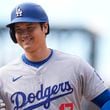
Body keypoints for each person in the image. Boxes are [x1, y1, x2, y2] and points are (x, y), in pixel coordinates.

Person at [0, 2, 110, 110]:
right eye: (19, 30)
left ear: (45, 27)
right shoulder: (3, 76)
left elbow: (106, 100)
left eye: (30, 28)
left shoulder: (75, 65)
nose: (24, 34)